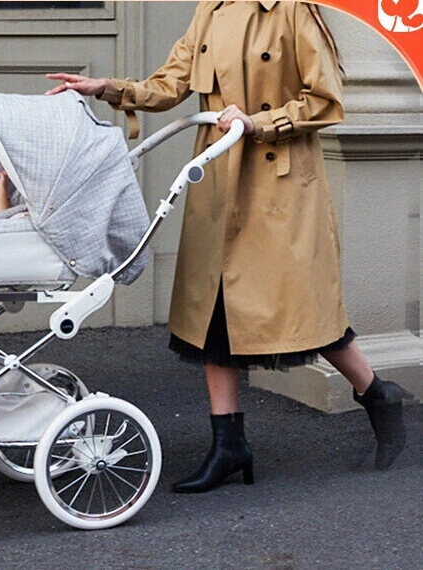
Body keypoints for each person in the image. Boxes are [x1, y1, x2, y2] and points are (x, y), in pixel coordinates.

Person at [46, 1, 411, 492]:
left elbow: (325, 98)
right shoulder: (211, 11)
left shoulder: (292, 11)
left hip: (278, 185)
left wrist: (260, 121)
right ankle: (229, 444)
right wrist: (107, 88)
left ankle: (378, 395)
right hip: (220, 177)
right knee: (214, 308)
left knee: (302, 308)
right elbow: (171, 83)